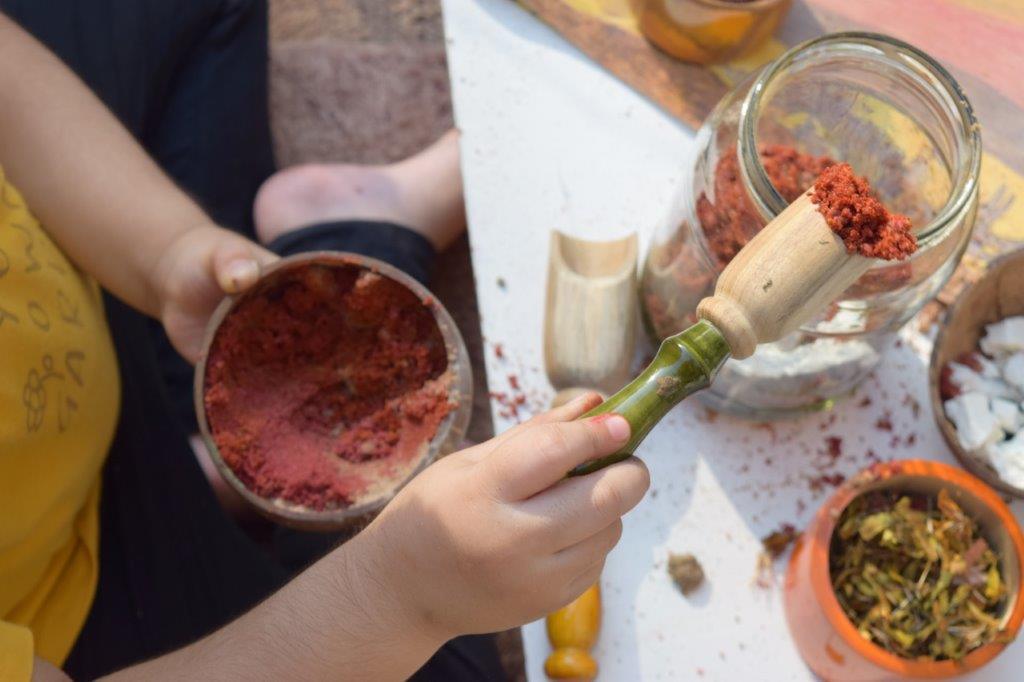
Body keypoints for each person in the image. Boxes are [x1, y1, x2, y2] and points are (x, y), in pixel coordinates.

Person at [0, 10, 651, 682]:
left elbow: (10, 85)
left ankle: (216, 451)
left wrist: (165, 250)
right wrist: (397, 598)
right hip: (71, 592)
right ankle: (355, 227)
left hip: (87, 293)